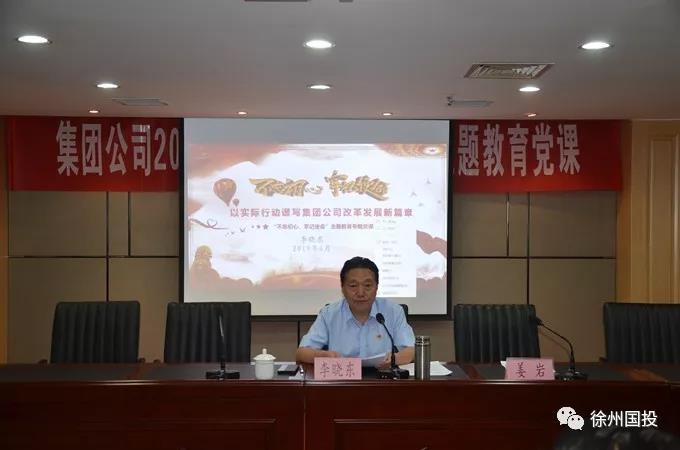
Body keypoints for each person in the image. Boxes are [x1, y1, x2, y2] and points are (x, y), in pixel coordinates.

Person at [295, 256, 415, 368]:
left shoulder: (393, 312)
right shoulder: (329, 314)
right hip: (343, 378)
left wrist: (394, 359)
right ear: (342, 288)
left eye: (367, 285)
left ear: (377, 287)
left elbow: (412, 351)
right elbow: (301, 353)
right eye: (353, 286)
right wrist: (322, 356)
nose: (361, 292)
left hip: (382, 378)